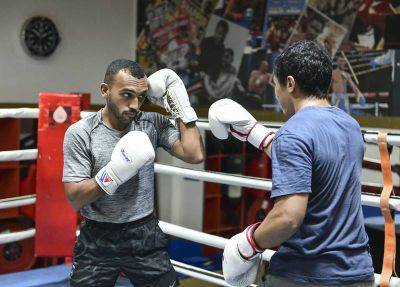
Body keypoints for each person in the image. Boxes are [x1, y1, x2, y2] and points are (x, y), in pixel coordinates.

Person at [208, 40, 374, 286]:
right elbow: (318, 164)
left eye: (276, 85)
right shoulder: (350, 126)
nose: (276, 93)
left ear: (290, 83)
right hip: (358, 272)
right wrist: (257, 134)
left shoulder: (293, 132)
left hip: (306, 274)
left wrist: (248, 243)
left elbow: (288, 217)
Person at [63, 59, 205, 286]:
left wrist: (181, 105)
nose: (135, 105)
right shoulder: (81, 133)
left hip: (144, 234)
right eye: (127, 95)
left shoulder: (151, 123)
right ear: (105, 91)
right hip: (98, 236)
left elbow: (194, 153)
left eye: (141, 97)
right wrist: (115, 172)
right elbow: (75, 197)